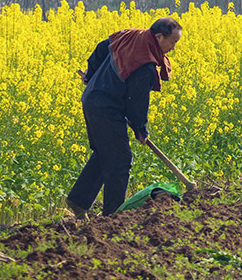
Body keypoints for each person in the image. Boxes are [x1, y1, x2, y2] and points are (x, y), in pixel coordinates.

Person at [65, 16, 182, 218]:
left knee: (105, 153)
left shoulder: (131, 35)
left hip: (92, 99)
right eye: (172, 42)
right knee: (120, 160)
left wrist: (91, 76)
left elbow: (101, 49)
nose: (173, 48)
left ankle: (78, 201)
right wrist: (140, 129)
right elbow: (137, 101)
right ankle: (114, 216)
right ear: (159, 37)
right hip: (106, 108)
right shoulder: (145, 64)